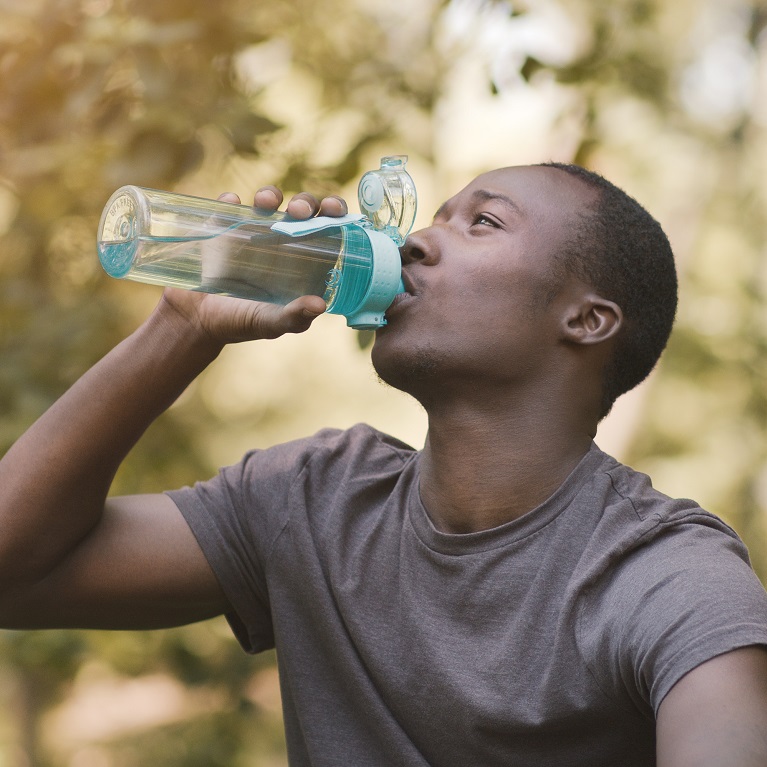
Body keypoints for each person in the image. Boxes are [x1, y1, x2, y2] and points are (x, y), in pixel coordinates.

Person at [1, 162, 766, 767]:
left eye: (483, 222)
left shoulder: (663, 576)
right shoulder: (314, 496)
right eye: (433, 217)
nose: (416, 242)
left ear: (586, 319)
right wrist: (181, 325)